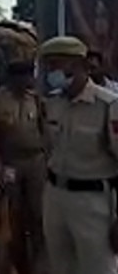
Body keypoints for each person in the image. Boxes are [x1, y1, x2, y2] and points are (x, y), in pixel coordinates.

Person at [38, 35, 118, 274]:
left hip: (93, 201)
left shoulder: (108, 106)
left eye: (58, 64)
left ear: (80, 66)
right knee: (61, 266)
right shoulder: (52, 103)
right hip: (55, 196)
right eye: (49, 65)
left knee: (98, 268)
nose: (52, 72)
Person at [0, 28, 45, 274]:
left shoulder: (37, 100)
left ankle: (41, 264)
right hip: (9, 162)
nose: (25, 81)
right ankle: (18, 265)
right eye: (20, 76)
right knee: (13, 218)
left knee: (38, 216)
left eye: (28, 76)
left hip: (36, 162)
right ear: (11, 78)